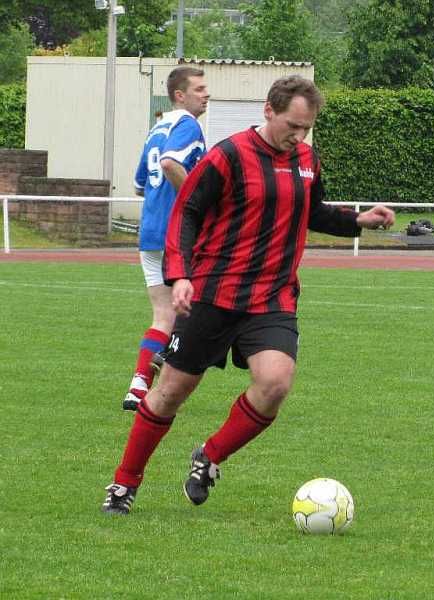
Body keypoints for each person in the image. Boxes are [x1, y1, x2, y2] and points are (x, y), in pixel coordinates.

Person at [102, 75, 396, 515]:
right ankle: (124, 485)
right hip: (214, 293)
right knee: (170, 392)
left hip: (272, 297)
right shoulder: (229, 156)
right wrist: (180, 275)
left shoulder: (306, 159)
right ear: (269, 111)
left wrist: (359, 220)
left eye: (306, 128)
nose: (298, 136)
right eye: (292, 125)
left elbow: (312, 211)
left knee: (276, 383)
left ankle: (209, 456)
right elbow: (187, 212)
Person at [124, 66, 210, 411]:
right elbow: (173, 163)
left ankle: (138, 386)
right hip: (178, 236)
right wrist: (197, 201)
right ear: (180, 95)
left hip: (150, 232)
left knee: (164, 314)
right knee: (203, 308)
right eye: (200, 88)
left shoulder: (156, 128)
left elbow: (140, 184)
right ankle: (168, 354)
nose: (206, 94)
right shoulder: (188, 124)